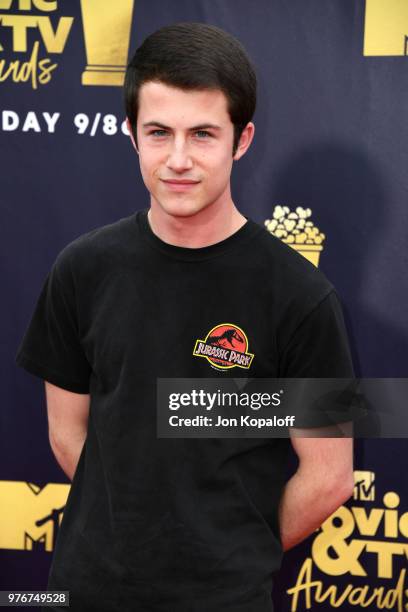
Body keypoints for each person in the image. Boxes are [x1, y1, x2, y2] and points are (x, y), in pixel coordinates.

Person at [15, 22, 355, 612]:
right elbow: (68, 434)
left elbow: (329, 478)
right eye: (158, 132)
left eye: (201, 134)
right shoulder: (82, 268)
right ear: (131, 134)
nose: (178, 160)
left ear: (241, 140)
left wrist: (226, 556)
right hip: (85, 589)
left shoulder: (302, 296)